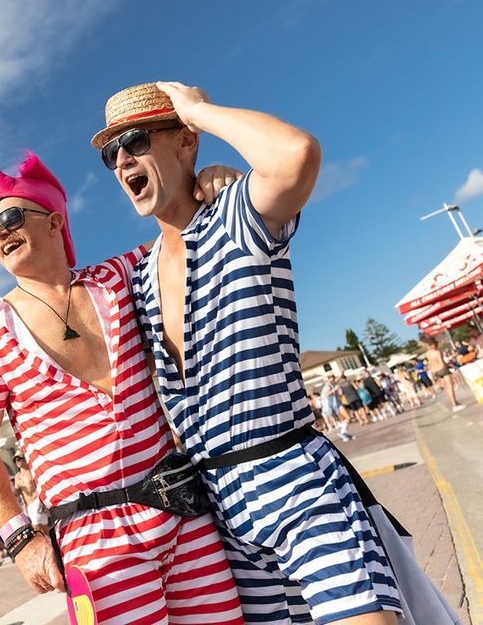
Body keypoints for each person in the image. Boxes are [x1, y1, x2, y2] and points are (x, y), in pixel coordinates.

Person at [0, 84, 244, 625]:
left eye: (9, 218)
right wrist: (20, 538)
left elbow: (183, 238)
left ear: (53, 221)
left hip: (180, 510)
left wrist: (209, 184)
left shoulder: (118, 278)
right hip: (92, 542)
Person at [94, 81, 405, 624]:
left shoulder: (235, 216)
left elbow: (296, 155)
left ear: (186, 142)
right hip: (221, 514)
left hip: (294, 480)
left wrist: (199, 110)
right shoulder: (139, 278)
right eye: (111, 154)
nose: (123, 161)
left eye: (137, 140)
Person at [11, 453, 49, 536]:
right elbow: (17, 493)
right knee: (43, 530)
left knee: (36, 528)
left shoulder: (31, 472)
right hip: (28, 507)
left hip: (37, 502)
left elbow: (40, 486)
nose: (17, 462)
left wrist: (42, 502)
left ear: (24, 459)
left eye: (18, 459)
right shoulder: (18, 476)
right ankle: (53, 543)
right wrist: (12, 490)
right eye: (15, 460)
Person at [424, 337, 465, 412]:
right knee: (450, 387)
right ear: (433, 344)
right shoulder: (437, 352)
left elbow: (431, 363)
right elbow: (442, 363)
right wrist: (448, 365)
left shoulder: (428, 353)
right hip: (443, 370)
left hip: (436, 371)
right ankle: (454, 405)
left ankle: (455, 402)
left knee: (446, 388)